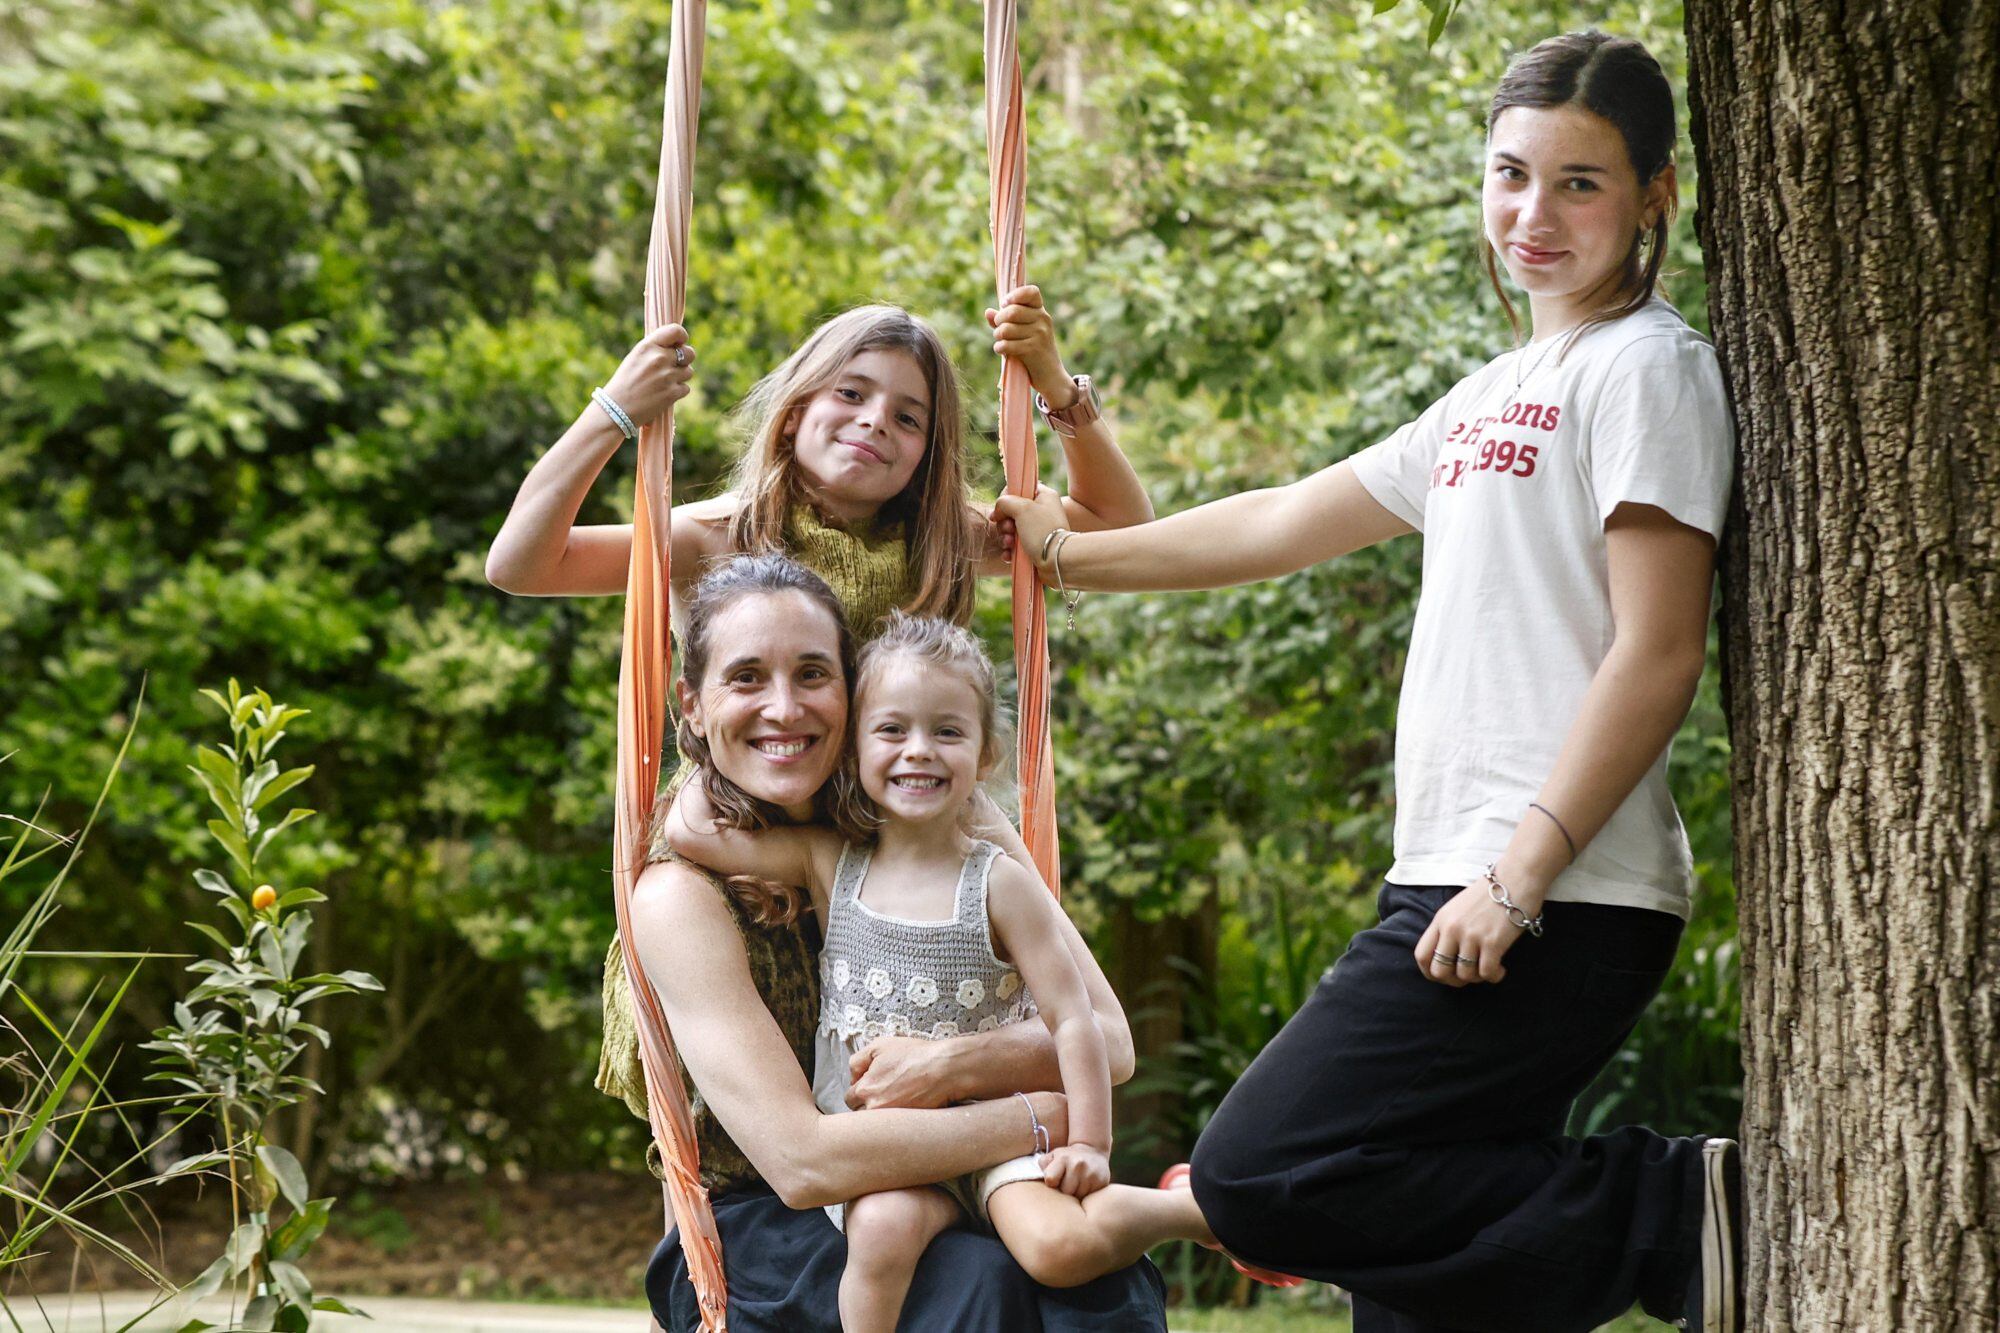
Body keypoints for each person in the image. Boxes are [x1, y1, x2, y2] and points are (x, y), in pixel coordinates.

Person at [995, 31, 1742, 1333]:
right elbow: (1283, 520)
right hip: (1460, 872)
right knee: (1405, 1263)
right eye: (1513, 175)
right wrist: (1070, 556)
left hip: (1554, 887)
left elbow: (1659, 650)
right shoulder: (1492, 394)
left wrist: (1517, 877)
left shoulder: (1649, 370)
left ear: (1654, 196)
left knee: (1262, 1175)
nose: (1535, 213)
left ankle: (1674, 1215)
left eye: (1581, 182)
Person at [484, 291, 1155, 1128]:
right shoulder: (721, 535)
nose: (876, 422)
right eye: (852, 392)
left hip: (912, 817)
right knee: (762, 1110)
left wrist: (1056, 383)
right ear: (797, 407)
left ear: (927, 451)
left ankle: (958, 1095)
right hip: (756, 825)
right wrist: (613, 412)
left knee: (1086, 1029)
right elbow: (521, 562)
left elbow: (1123, 535)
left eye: (909, 417)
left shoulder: (945, 537)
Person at [667, 611, 1289, 1331]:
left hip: (996, 1134)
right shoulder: (831, 861)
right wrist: (699, 747)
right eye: (892, 730)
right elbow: (693, 831)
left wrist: (1090, 1141)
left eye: (948, 731)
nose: (918, 752)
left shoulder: (999, 883)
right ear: (854, 748)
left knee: (1058, 1248)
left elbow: (1075, 1018)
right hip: (886, 1145)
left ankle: (1187, 1207)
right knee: (880, 1235)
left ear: (986, 752)